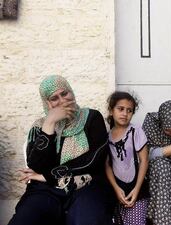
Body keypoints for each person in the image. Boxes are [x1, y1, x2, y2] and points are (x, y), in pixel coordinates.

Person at [8, 75, 113, 225]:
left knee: (86, 219)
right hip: (46, 190)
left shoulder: (91, 117)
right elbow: (36, 166)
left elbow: (94, 159)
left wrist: (49, 175)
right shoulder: (39, 126)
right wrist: (50, 123)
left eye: (64, 93)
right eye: (54, 98)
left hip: (86, 185)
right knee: (25, 218)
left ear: (71, 91)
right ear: (47, 103)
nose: (62, 100)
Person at [105, 91, 149, 225]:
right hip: (117, 191)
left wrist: (136, 190)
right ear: (111, 111)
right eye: (120, 109)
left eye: (129, 110)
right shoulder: (107, 137)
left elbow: (144, 160)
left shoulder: (136, 131)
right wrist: (116, 189)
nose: (125, 113)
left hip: (137, 190)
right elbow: (107, 165)